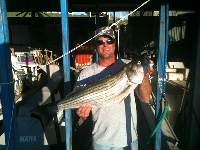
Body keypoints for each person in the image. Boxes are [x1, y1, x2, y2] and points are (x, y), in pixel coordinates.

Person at [75, 26, 152, 150]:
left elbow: (145, 97)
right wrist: (82, 114)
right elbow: (80, 111)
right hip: (100, 141)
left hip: (128, 139)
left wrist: (144, 72)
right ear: (95, 45)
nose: (105, 45)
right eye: (100, 42)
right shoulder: (85, 74)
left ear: (115, 44)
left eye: (109, 41)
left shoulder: (128, 65)